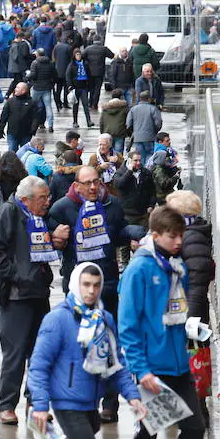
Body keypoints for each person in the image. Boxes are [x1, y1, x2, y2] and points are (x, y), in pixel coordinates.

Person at [28, 262, 146, 439]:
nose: (91, 291)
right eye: (86, 285)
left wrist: (133, 396)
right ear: (75, 284)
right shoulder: (57, 319)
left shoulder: (104, 319)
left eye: (96, 285)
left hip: (90, 405)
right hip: (67, 404)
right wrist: (40, 405)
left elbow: (116, 363)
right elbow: (38, 366)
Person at [119, 206, 206, 439]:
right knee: (147, 435)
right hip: (153, 369)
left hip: (179, 365)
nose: (179, 241)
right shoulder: (140, 270)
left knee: (195, 428)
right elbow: (128, 325)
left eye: (181, 235)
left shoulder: (176, 266)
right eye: (172, 236)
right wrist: (140, 369)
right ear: (155, 236)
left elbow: (181, 315)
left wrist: (193, 347)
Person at [48, 165, 136, 422]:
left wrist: (132, 234)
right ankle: (80, 399)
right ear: (76, 185)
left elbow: (119, 232)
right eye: (87, 183)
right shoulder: (63, 208)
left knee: (109, 345)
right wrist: (55, 236)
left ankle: (110, 405)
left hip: (106, 284)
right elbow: (46, 232)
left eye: (96, 181)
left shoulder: (113, 205)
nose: (93, 187)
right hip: (76, 286)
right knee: (78, 346)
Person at [0, 176, 69, 425]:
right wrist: (17, 276)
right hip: (17, 296)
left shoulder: (37, 216)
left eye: (47, 197)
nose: (48, 202)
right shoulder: (9, 213)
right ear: (26, 200)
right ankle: (7, 405)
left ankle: (35, 402)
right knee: (15, 353)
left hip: (39, 291)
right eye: (43, 198)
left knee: (40, 352)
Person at [165, 190, 214, 326]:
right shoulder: (184, 234)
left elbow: (197, 286)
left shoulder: (192, 239)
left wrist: (189, 321)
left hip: (189, 317)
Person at [0, 82, 38, 153]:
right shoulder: (10, 101)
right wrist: (0, 129)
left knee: (25, 153)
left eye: (18, 88)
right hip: (12, 133)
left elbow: (35, 117)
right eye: (16, 87)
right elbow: (4, 116)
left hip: (26, 133)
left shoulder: (32, 102)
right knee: (12, 152)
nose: (15, 89)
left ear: (23, 90)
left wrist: (33, 129)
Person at [126, 91, 163, 166]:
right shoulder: (153, 109)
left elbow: (128, 124)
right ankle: (147, 172)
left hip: (137, 138)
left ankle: (141, 173)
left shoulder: (133, 109)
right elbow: (158, 123)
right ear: (149, 99)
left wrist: (134, 132)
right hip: (150, 137)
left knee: (140, 157)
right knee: (150, 156)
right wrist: (154, 131)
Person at [27, 47, 57, 132]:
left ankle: (32, 123)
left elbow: (33, 75)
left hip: (37, 87)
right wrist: (52, 84)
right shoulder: (50, 63)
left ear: (38, 54)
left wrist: (27, 76)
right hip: (47, 87)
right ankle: (50, 125)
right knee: (48, 106)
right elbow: (55, 75)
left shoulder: (35, 63)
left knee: (33, 106)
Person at [82, 38, 114, 109]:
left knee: (91, 88)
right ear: (100, 41)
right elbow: (111, 56)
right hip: (100, 72)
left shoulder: (88, 48)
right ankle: (94, 104)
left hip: (90, 72)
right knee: (97, 88)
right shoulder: (104, 49)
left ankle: (90, 103)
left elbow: (82, 56)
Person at [65, 46, 93, 128]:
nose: (78, 56)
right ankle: (75, 121)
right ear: (74, 55)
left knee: (85, 105)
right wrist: (70, 86)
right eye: (77, 55)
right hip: (75, 87)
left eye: (79, 54)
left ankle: (89, 120)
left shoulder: (85, 63)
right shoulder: (71, 65)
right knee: (75, 106)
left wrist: (89, 84)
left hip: (84, 87)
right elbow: (68, 76)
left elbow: (89, 74)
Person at [100, 88, 130, 154]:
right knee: (118, 153)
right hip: (120, 132)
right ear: (121, 97)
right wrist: (128, 132)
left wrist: (102, 133)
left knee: (108, 152)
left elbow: (101, 122)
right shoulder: (124, 108)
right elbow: (128, 121)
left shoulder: (105, 108)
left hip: (107, 132)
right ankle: (118, 164)